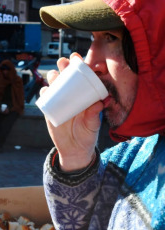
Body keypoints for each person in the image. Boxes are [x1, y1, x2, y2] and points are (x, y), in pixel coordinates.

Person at [39, 0, 165, 229]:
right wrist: (75, 158)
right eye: (92, 38)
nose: (89, 63)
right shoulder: (137, 148)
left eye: (111, 38)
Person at [0, 60, 24, 153]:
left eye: (7, 69)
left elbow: (19, 98)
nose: (5, 72)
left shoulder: (17, 81)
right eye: (3, 69)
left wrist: (11, 108)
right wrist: (0, 106)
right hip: (0, 105)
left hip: (14, 106)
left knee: (7, 124)